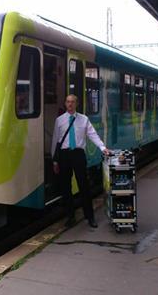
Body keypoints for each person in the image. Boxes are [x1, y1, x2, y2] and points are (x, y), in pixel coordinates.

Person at [51, 94, 110, 228]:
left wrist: (102, 147)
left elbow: (92, 135)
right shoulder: (59, 120)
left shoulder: (84, 120)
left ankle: (90, 217)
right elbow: (55, 141)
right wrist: (55, 161)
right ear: (65, 104)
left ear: (76, 104)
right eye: (67, 102)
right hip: (64, 155)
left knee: (84, 186)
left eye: (72, 102)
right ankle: (70, 217)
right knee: (66, 188)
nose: (70, 104)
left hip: (78, 154)